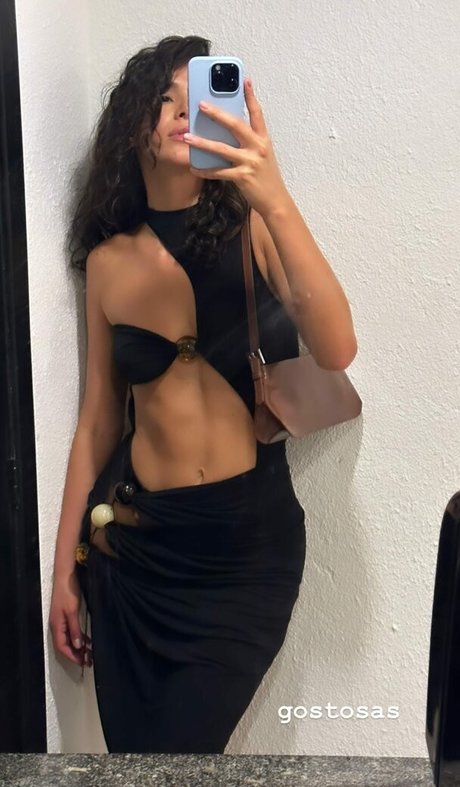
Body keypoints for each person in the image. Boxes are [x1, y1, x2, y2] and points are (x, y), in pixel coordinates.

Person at [49, 34, 357, 754]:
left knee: (183, 760)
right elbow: (97, 423)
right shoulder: (108, 263)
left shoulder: (254, 227)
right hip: (136, 556)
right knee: (137, 765)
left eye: (200, 101)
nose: (184, 114)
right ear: (134, 127)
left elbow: (338, 347)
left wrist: (273, 195)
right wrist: (64, 569)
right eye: (165, 99)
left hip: (242, 556)